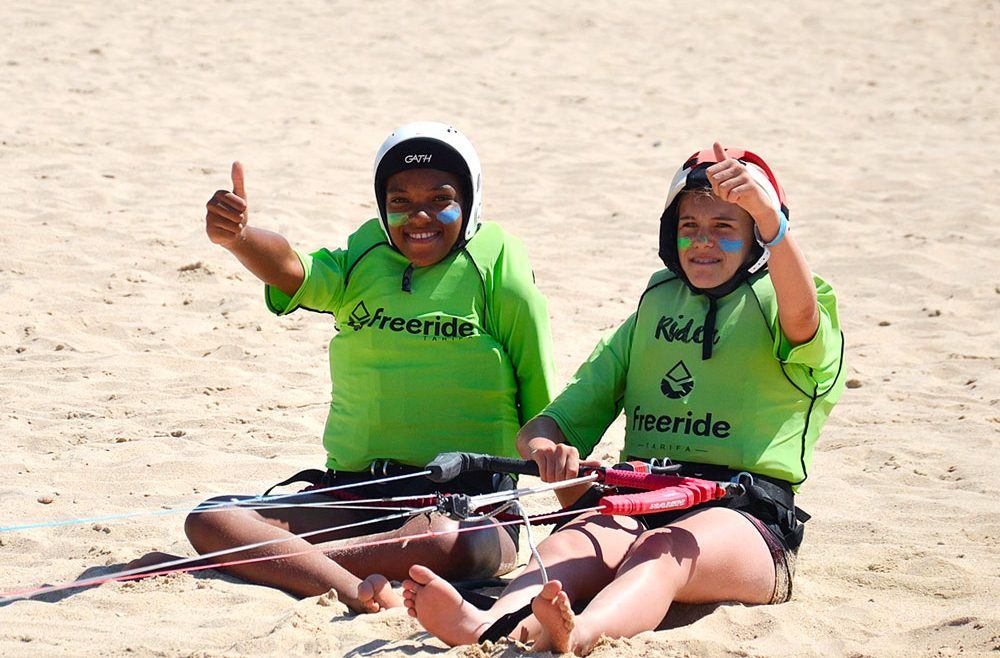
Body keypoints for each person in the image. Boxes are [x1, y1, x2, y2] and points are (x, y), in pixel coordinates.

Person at [401, 143, 846, 654]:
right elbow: (545, 428)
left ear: (759, 239)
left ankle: (581, 633)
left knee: (662, 549)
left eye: (725, 227)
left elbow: (802, 319)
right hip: (644, 498)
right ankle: (494, 625)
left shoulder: (795, 302)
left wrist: (772, 220)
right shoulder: (653, 309)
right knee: (574, 539)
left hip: (748, 519)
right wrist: (547, 449)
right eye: (689, 226)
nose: (702, 242)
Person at [129, 122, 556, 613]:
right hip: (355, 493)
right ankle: (354, 589)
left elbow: (544, 415)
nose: (419, 216)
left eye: (441, 199)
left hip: (464, 504)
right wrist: (241, 238)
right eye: (399, 201)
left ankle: (278, 563)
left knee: (445, 544)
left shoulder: (500, 269)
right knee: (210, 520)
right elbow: (294, 270)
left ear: (471, 198)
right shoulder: (363, 256)